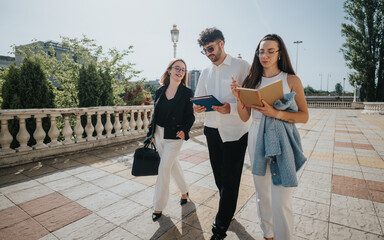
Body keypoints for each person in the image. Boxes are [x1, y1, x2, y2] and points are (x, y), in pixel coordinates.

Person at [231, 34, 309, 240]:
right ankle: (268, 235)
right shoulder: (251, 81)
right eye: (261, 51)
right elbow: (245, 116)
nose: (264, 55)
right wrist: (239, 98)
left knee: (281, 200)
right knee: (262, 195)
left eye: (270, 51)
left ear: (280, 53)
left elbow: (304, 116)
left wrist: (276, 113)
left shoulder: (291, 80)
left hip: (282, 139)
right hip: (256, 137)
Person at [194, 27, 251, 240]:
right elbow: (199, 97)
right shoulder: (205, 71)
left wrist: (231, 108)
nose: (208, 53)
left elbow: (250, 100)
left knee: (230, 179)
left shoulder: (241, 66)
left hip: (236, 131)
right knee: (219, 176)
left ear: (221, 44)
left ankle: (219, 228)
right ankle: (227, 211)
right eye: (204, 50)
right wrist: (198, 107)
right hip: (211, 130)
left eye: (210, 48)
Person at [146, 59, 195, 221]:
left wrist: (185, 130)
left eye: (183, 70)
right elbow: (155, 114)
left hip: (175, 136)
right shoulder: (160, 91)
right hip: (159, 133)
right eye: (177, 68)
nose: (180, 72)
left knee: (164, 168)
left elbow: (190, 116)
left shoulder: (187, 92)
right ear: (169, 70)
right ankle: (184, 191)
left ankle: (158, 206)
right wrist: (150, 133)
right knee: (173, 165)